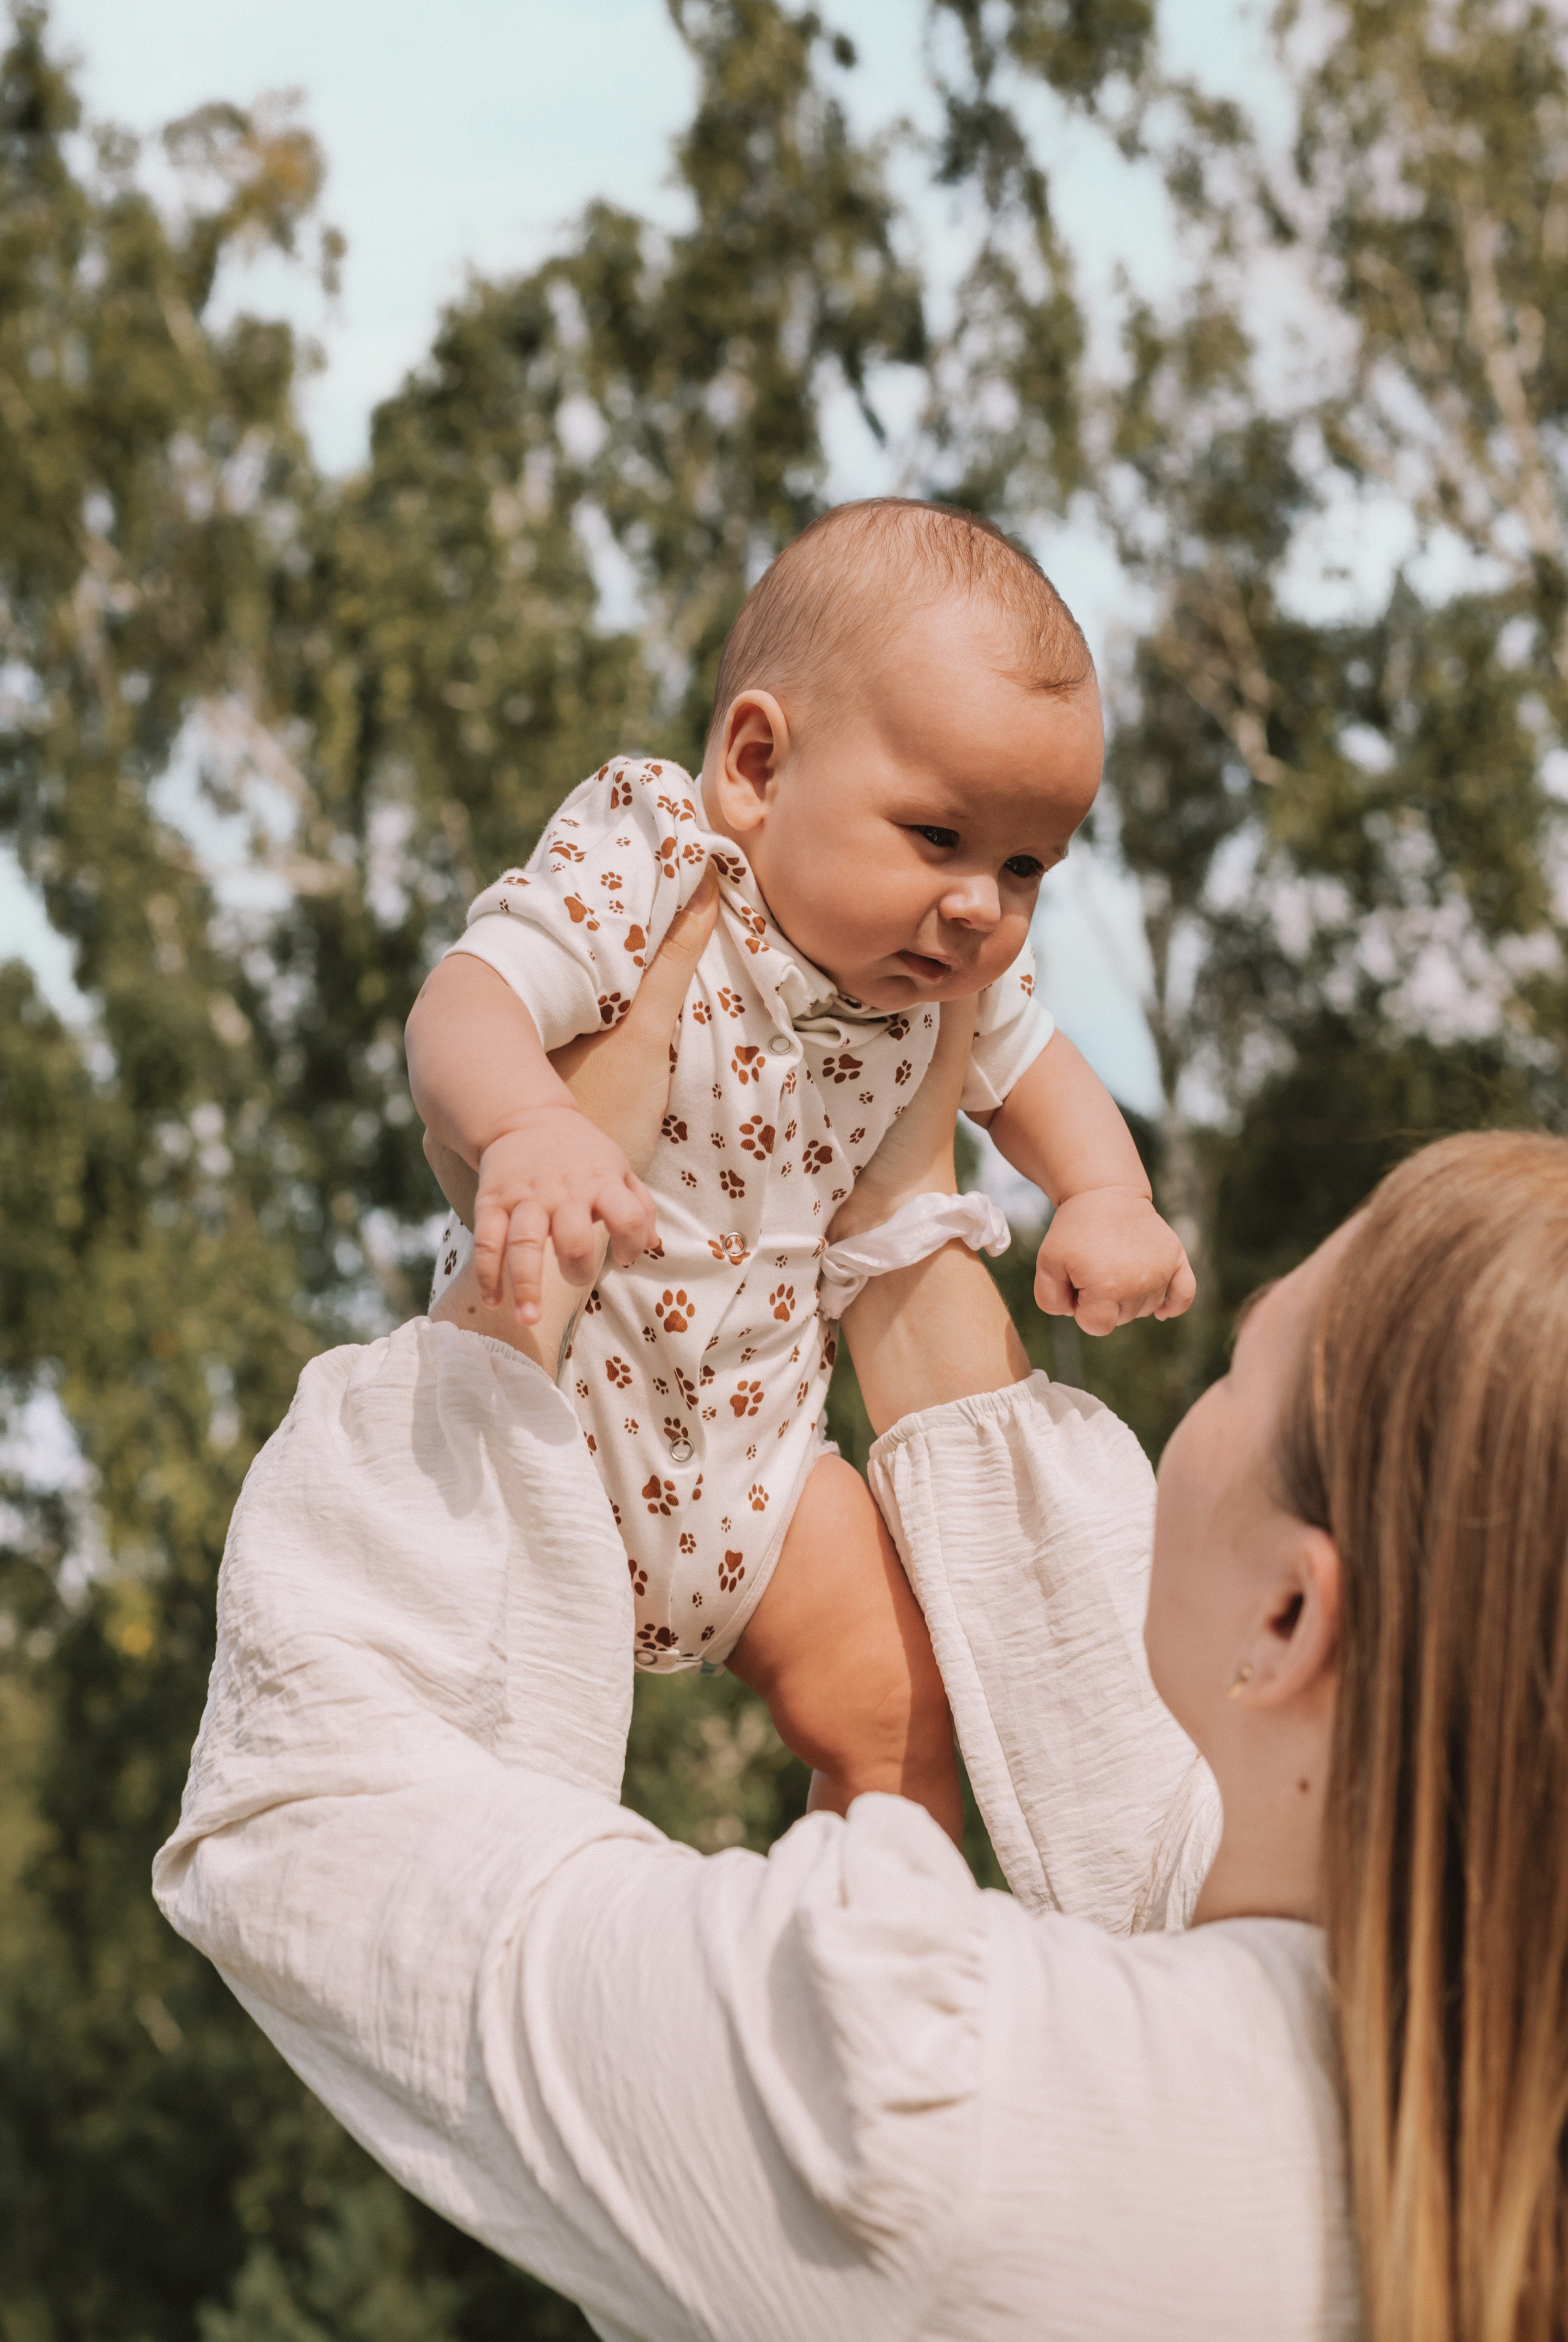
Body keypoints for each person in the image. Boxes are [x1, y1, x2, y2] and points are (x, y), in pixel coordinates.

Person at [156, 904, 1568, 2340]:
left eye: (1244, 1358)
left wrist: (526, 1287)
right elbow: (1125, 1785)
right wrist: (900, 1208)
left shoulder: (936, 2114)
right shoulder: (1462, 2132)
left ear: (1284, 1614)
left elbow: (307, 1824)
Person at [404, 497, 1192, 1841]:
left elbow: (1046, 1077)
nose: (979, 908)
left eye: (1024, 867)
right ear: (756, 767)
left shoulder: (948, 983)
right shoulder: (656, 860)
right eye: (937, 838)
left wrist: (1107, 1196)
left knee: (902, 1708)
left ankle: (862, 1952)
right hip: (549, 1412)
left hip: (760, 1457)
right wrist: (527, 1124)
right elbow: (464, 1003)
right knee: (487, 1771)